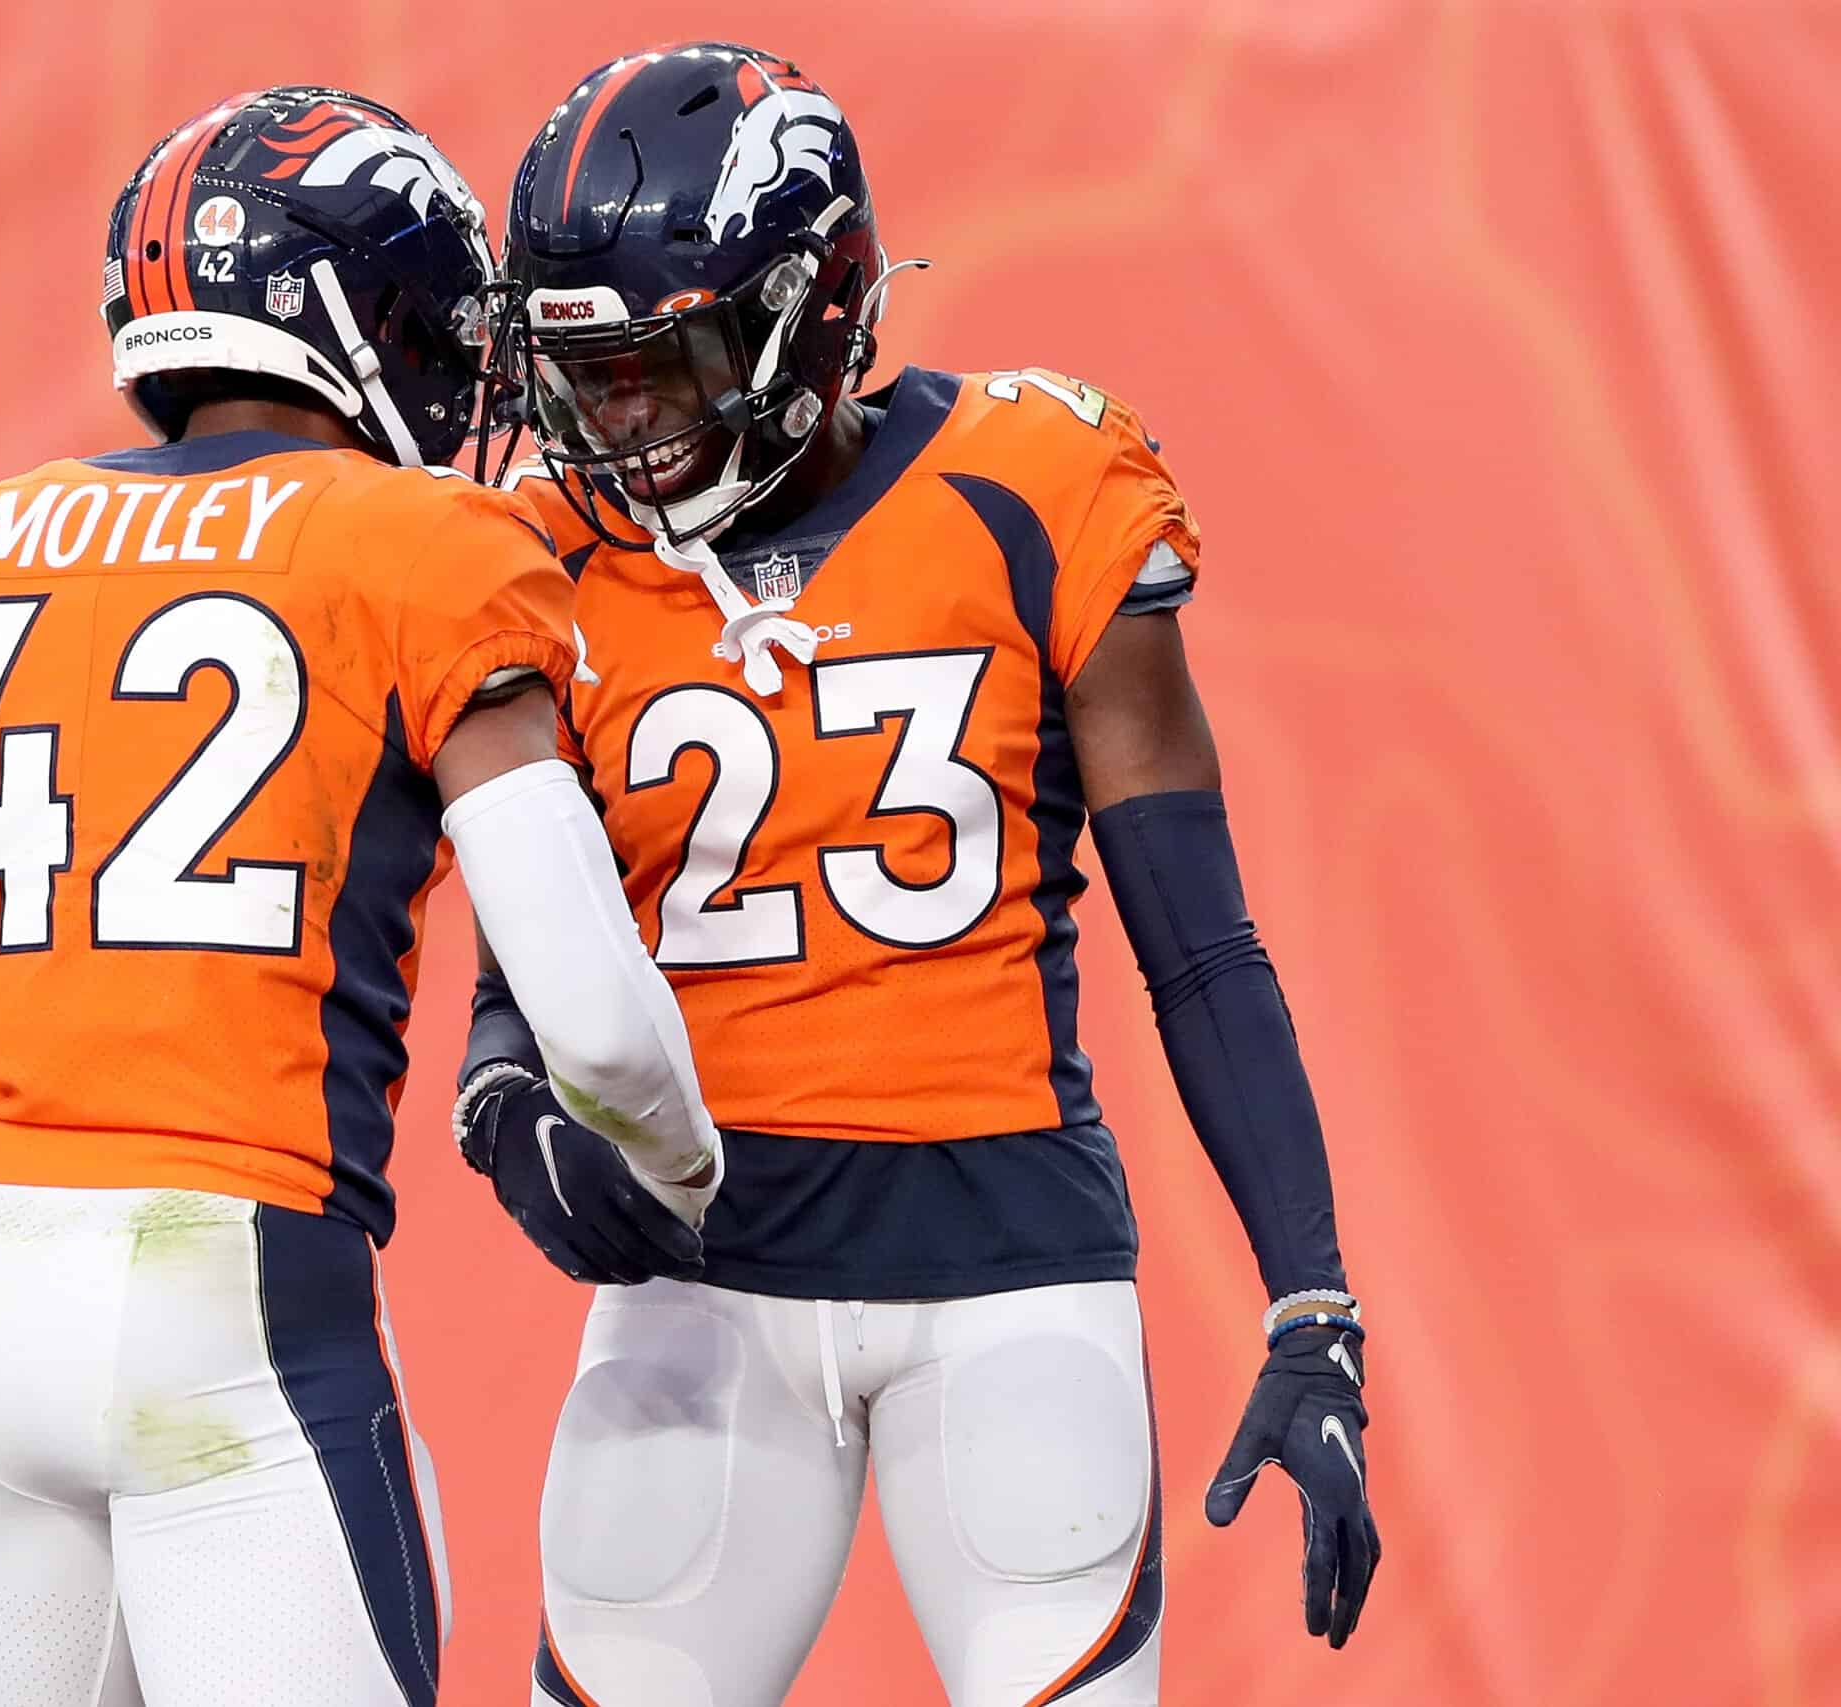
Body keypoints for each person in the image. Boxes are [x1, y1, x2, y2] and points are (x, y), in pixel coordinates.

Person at [0, 85, 720, 1707]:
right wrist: (684, 1171)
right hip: (229, 1289)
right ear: (360, 319)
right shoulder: (422, 541)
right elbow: (600, 1032)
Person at [456, 42, 1378, 1706]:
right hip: (699, 1286)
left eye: (667, 362)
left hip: (1012, 1276)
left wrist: (1310, 1301)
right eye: (586, 374)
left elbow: (1205, 950)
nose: (620, 419)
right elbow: (535, 936)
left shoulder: (1035, 485)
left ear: (814, 309)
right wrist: (502, 1090)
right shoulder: (540, 550)